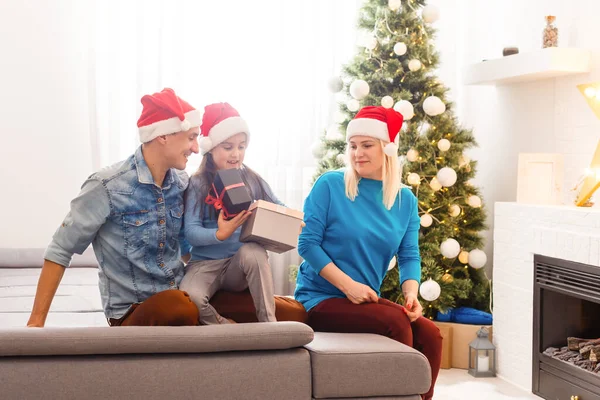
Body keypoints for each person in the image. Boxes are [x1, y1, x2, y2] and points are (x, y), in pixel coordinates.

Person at [294, 106, 442, 400]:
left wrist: (411, 293)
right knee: (396, 324)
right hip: (321, 298)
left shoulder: (404, 200)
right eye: (352, 146)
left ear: (386, 148)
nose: (357, 153)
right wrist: (348, 287)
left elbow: (409, 254)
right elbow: (307, 244)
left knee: (431, 335)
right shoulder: (331, 185)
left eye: (366, 145)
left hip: (364, 300)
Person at [27, 88, 202, 327]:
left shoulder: (181, 183)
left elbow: (184, 244)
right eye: (191, 137)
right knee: (180, 308)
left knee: (266, 306)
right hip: (133, 309)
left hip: (182, 295)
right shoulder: (106, 186)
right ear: (164, 136)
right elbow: (60, 249)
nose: (196, 148)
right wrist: (35, 324)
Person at [181, 102, 306, 325]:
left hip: (239, 266)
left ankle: (269, 325)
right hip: (204, 265)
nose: (236, 154)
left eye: (241, 146)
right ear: (210, 148)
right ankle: (226, 327)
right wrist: (220, 234)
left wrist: (291, 220)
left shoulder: (253, 179)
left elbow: (278, 204)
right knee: (190, 300)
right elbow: (190, 232)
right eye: (228, 147)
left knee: (254, 251)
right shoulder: (199, 183)